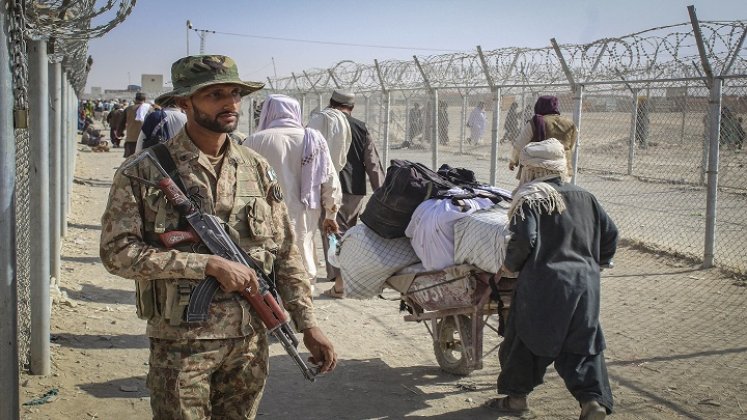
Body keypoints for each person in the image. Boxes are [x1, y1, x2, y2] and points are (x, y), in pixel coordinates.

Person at [99, 54, 337, 419]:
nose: (229, 103)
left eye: (234, 93)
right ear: (184, 103)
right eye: (214, 94)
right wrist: (205, 264)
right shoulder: (143, 171)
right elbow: (117, 253)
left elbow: (285, 251)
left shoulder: (255, 167)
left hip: (249, 342)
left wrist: (308, 323)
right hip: (182, 345)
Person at [488, 138, 618, 420]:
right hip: (585, 287)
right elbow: (611, 234)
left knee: (524, 340)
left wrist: (509, 267)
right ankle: (592, 401)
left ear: (530, 170)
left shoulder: (531, 198)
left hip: (544, 286)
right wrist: (599, 263)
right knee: (584, 345)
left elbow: (524, 239)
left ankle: (516, 399)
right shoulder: (586, 197)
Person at [243, 94, 342, 291]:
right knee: (303, 250)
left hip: (264, 212)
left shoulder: (253, 141)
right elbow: (330, 181)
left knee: (268, 256)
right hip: (305, 210)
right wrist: (331, 214)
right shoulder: (313, 139)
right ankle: (304, 298)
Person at [307, 90, 385, 298]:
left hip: (324, 187)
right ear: (351, 108)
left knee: (331, 232)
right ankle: (341, 275)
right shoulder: (360, 127)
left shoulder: (320, 123)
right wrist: (382, 192)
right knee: (346, 234)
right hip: (354, 189)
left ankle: (340, 279)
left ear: (331, 103)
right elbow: (373, 163)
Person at [509, 95, 577, 178]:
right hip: (563, 167)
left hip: (538, 170)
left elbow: (520, 143)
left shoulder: (536, 122)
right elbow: (572, 146)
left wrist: (513, 160)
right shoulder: (570, 123)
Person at [119, 92, 151, 158]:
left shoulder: (128, 109)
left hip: (131, 139)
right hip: (145, 140)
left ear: (135, 100)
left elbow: (121, 123)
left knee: (131, 161)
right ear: (144, 99)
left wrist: (119, 133)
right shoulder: (149, 109)